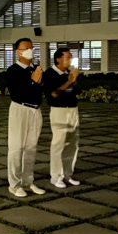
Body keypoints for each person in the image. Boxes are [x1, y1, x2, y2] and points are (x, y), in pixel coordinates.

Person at [6, 38, 46, 197]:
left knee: (31, 148)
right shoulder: (13, 70)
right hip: (20, 109)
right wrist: (32, 82)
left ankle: (28, 181)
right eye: (26, 48)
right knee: (17, 148)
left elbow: (39, 90)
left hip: (35, 110)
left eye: (31, 47)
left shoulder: (36, 68)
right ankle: (14, 184)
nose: (30, 50)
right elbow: (17, 92)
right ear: (18, 52)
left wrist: (36, 81)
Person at [43, 48, 81, 189]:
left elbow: (76, 91)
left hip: (72, 109)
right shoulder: (50, 74)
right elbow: (54, 94)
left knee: (72, 143)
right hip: (59, 111)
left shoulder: (68, 73)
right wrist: (69, 81)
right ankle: (56, 176)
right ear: (58, 59)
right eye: (67, 57)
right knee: (59, 143)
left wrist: (73, 80)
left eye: (71, 57)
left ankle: (67, 174)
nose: (69, 60)